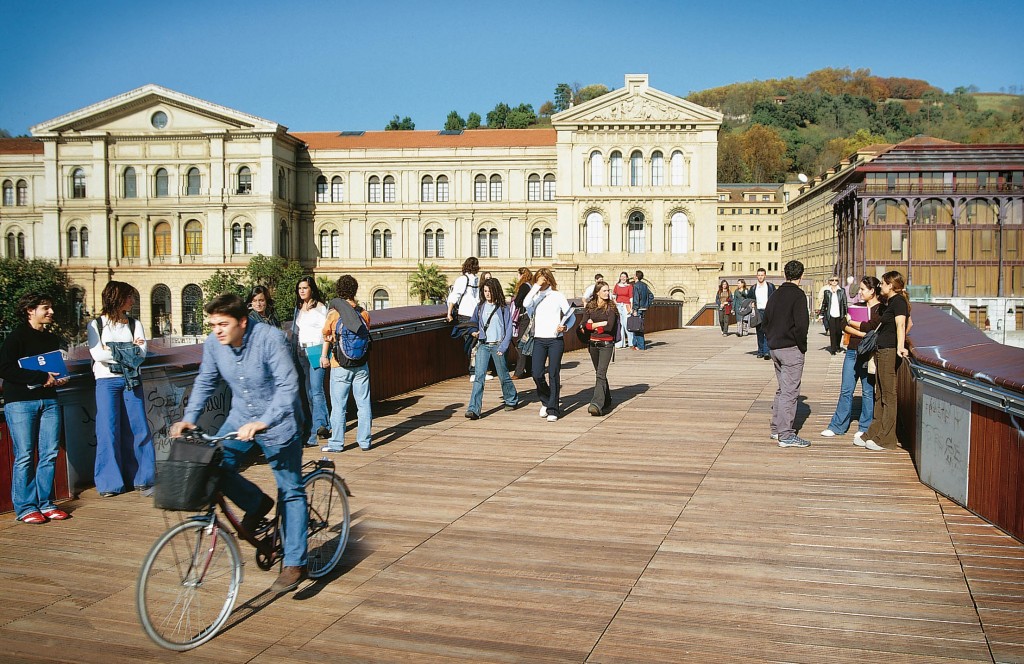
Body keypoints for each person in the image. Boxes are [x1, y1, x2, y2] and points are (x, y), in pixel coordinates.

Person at [171, 293, 309, 594]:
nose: (217, 330)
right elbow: (206, 380)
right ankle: (257, 503)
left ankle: (295, 562)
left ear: (242, 322)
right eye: (213, 325)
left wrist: (264, 421)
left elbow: (288, 385)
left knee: (290, 489)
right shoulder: (214, 344)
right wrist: (189, 418)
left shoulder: (270, 338)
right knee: (215, 467)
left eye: (223, 324)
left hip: (280, 421)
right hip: (240, 418)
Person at [0, 293, 71, 523]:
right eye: (45, 308)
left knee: (49, 453)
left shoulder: (51, 339)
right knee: (25, 455)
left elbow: (53, 368)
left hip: (49, 400)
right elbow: (5, 368)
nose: (51, 312)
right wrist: (40, 377)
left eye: (51, 307)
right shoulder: (16, 338)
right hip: (21, 402)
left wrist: (59, 378)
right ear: (30, 310)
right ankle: (25, 508)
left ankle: (46, 503)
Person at [87, 281, 155, 497]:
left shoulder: (135, 324)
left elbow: (141, 353)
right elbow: (98, 354)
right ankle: (110, 484)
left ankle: (143, 478)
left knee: (139, 429)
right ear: (116, 298)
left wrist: (113, 350)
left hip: (132, 380)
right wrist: (128, 349)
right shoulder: (96, 325)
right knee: (107, 430)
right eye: (129, 296)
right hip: (106, 381)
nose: (132, 301)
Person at [821, 277, 881, 443]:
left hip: (868, 353)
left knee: (868, 391)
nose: (859, 292)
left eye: (863, 289)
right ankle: (837, 426)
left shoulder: (880, 309)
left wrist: (853, 324)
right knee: (846, 389)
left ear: (872, 291)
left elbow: (871, 327)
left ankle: (865, 427)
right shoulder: (857, 306)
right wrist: (860, 331)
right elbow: (843, 324)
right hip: (852, 351)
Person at [320, 275, 372, 452]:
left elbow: (326, 334)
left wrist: (325, 353)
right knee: (363, 404)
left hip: (340, 364)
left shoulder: (334, 314)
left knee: (339, 406)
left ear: (339, 291)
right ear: (355, 290)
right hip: (361, 364)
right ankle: (365, 441)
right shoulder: (363, 313)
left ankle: (336, 443)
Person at [862, 271, 912, 452]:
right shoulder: (891, 302)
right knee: (880, 393)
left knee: (888, 395)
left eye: (882, 283)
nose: (880, 286)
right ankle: (874, 431)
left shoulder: (899, 302)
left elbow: (902, 324)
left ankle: (887, 439)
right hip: (882, 349)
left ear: (891, 285)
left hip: (889, 350)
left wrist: (900, 346)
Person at [764, 260, 810, 448]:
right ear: (802, 275)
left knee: (782, 389)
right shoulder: (798, 295)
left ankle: (776, 428)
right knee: (790, 392)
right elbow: (802, 325)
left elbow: (765, 321)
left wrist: (771, 341)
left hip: (775, 347)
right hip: (791, 348)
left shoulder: (775, 294)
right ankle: (786, 434)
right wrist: (802, 346)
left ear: (785, 274)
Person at [524, 268, 575, 422]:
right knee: (536, 373)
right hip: (539, 339)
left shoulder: (557, 295)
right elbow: (525, 303)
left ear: (549, 279)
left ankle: (553, 409)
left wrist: (565, 327)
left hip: (555, 340)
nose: (541, 281)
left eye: (544, 278)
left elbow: (571, 316)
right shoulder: (534, 297)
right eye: (539, 278)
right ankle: (547, 400)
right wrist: (536, 286)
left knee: (553, 373)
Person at [465, 278, 518, 419]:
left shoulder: (503, 308)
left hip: (498, 345)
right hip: (483, 345)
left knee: (503, 375)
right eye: (485, 291)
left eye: (490, 291)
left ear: (496, 291)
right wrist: (473, 331)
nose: (487, 294)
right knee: (479, 377)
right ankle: (473, 409)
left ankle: (511, 399)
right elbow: (473, 322)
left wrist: (504, 346)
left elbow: (509, 329)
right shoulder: (480, 307)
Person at [291, 276, 329, 445]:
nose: (302, 291)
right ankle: (322, 425)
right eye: (300, 288)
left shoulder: (320, 307)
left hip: (316, 351)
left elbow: (326, 333)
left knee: (316, 390)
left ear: (311, 289)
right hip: (301, 352)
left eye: (305, 288)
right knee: (308, 393)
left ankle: (316, 431)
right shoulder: (299, 308)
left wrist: (324, 355)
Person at [584, 280, 618, 416]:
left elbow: (609, 326)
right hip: (593, 344)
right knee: (599, 373)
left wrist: (593, 325)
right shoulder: (590, 306)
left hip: (606, 344)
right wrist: (599, 324)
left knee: (600, 374)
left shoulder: (611, 307)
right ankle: (607, 399)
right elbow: (584, 325)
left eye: (608, 290)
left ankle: (596, 404)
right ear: (597, 292)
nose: (607, 293)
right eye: (604, 290)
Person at [446, 257, 481, 378]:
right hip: (472, 315)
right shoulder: (471, 280)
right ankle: (473, 371)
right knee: (474, 342)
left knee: (471, 342)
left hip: (466, 315)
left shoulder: (465, 279)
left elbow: (454, 297)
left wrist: (449, 313)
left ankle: (474, 371)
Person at [511, 267, 533, 379]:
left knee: (521, 343)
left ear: (521, 275)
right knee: (528, 342)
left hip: (525, 317)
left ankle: (518, 372)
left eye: (518, 275)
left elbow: (518, 302)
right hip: (530, 317)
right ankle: (529, 369)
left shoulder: (524, 286)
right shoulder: (530, 286)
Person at [818, 275, 848, 354]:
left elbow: (845, 303)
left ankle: (837, 345)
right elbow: (824, 304)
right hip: (830, 314)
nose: (834, 282)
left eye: (836, 280)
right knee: (832, 332)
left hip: (839, 314)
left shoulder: (842, 291)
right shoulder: (827, 292)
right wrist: (821, 314)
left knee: (839, 332)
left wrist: (846, 313)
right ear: (830, 282)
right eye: (832, 280)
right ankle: (833, 349)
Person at [752, 267, 776, 359]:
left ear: (765, 276)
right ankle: (760, 351)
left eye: (762, 275)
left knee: (768, 332)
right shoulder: (754, 288)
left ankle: (766, 352)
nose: (760, 277)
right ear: (757, 276)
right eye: (759, 275)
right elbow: (749, 298)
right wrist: (752, 304)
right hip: (758, 311)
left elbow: (775, 298)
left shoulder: (770, 286)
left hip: (768, 311)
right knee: (759, 332)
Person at [631, 270, 654, 350]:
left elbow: (636, 298)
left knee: (637, 327)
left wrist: (635, 309)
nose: (633, 276)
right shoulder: (644, 285)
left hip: (638, 309)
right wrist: (647, 304)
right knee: (637, 326)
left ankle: (640, 346)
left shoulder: (636, 286)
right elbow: (651, 296)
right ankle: (635, 344)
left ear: (636, 277)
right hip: (643, 308)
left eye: (634, 275)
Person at [612, 272, 633, 349]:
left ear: (627, 278)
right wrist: (615, 303)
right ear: (620, 277)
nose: (623, 278)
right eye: (622, 276)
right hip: (618, 305)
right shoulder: (617, 285)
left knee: (627, 324)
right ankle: (620, 343)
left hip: (626, 305)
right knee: (619, 324)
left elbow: (631, 298)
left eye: (624, 277)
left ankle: (631, 343)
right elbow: (614, 295)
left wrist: (631, 308)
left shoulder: (629, 286)